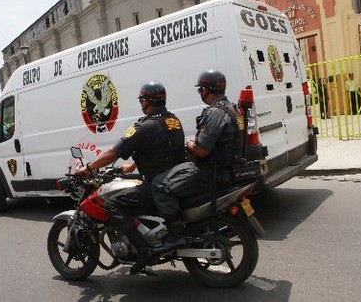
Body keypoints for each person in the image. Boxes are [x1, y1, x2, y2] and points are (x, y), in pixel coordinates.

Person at [75, 80, 187, 274]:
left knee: (113, 204)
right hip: (174, 178)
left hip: (156, 183)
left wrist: (89, 167)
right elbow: (160, 148)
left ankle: (143, 250)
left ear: (148, 100)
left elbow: (114, 153)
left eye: (142, 99)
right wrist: (133, 165)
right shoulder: (173, 120)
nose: (141, 103)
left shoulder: (144, 127)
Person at [151, 69, 245, 255]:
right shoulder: (233, 109)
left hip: (210, 173)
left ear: (207, 89)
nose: (200, 93)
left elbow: (202, 150)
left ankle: (174, 235)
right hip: (227, 170)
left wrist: (190, 143)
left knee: (159, 184)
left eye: (201, 89)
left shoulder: (215, 113)